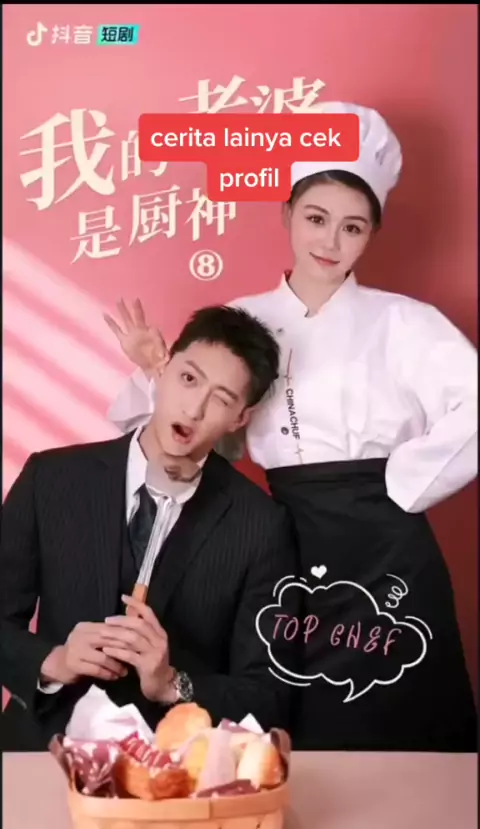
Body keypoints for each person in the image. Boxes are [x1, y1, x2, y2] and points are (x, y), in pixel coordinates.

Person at [106, 102, 478, 753]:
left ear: (371, 234)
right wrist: (157, 369)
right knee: (284, 715)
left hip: (388, 543)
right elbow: (170, 439)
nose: (330, 242)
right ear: (286, 215)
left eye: (352, 227)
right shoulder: (241, 320)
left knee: (401, 717)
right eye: (315, 218)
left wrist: (404, 482)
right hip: (275, 538)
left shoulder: (406, 322)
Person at [1, 306, 301, 752]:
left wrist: (171, 683)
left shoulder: (260, 524)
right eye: (188, 378)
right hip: (40, 750)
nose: (193, 409)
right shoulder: (51, 478)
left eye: (221, 399)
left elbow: (269, 693)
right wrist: (54, 661)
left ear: (241, 417)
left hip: (172, 764)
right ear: (163, 369)